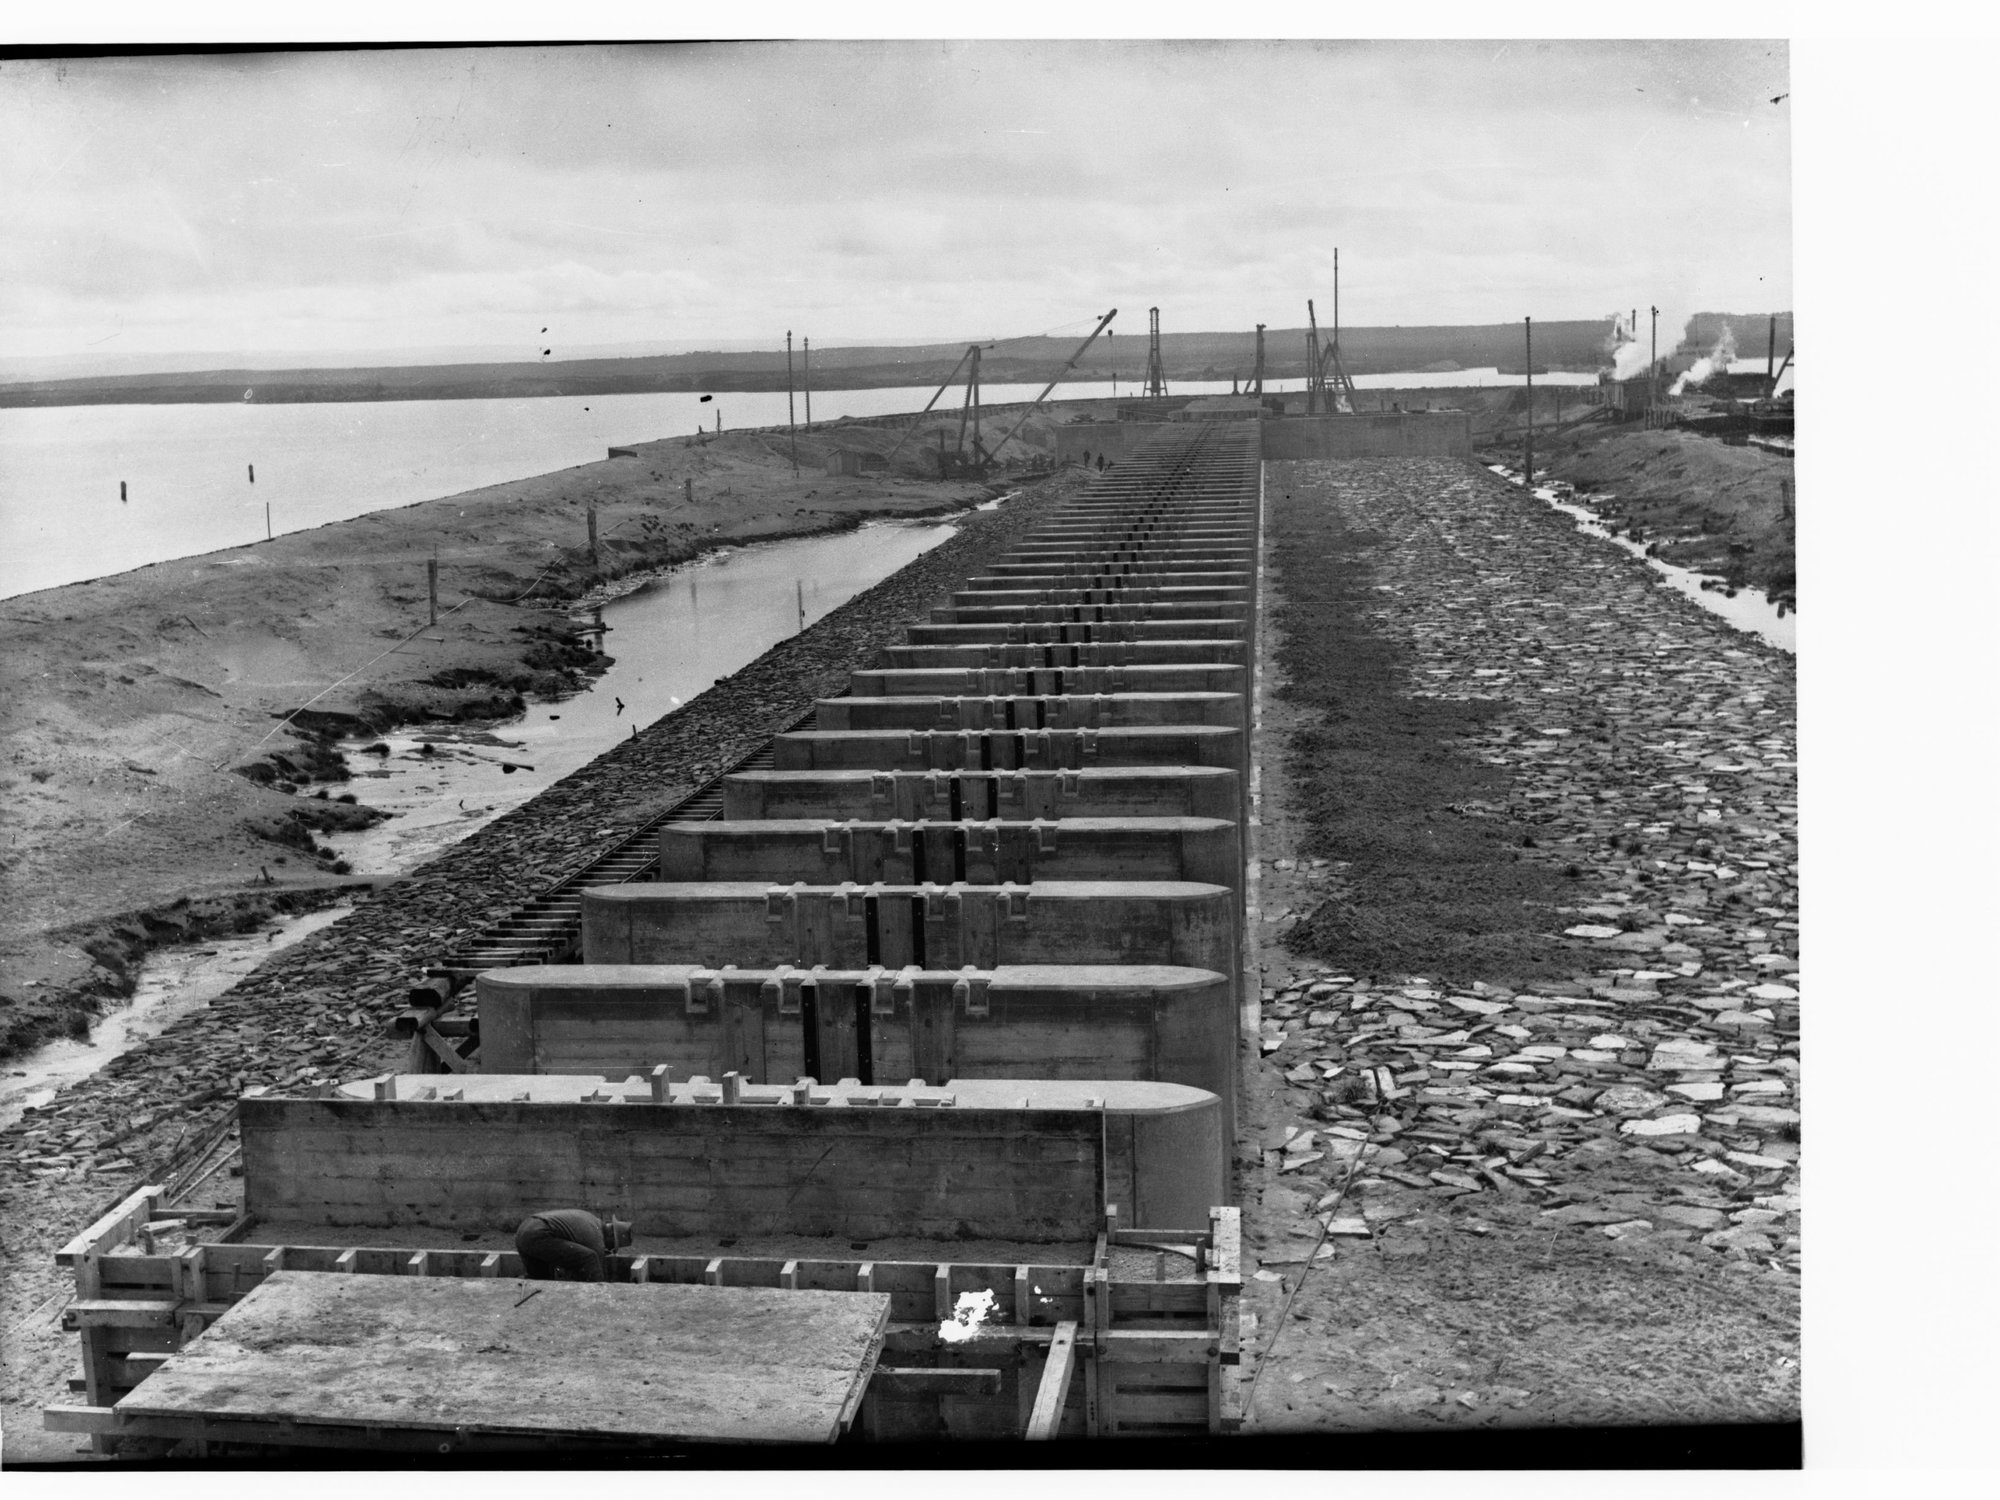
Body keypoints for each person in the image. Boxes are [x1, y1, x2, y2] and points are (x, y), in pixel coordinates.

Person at [514, 1208, 632, 1282]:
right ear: (611, 1233)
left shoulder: (590, 1219)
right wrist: (602, 1287)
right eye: (612, 1245)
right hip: (539, 1234)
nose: (608, 1248)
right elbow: (593, 1261)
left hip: (524, 1230)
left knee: (540, 1279)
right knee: (590, 1257)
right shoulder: (596, 1238)